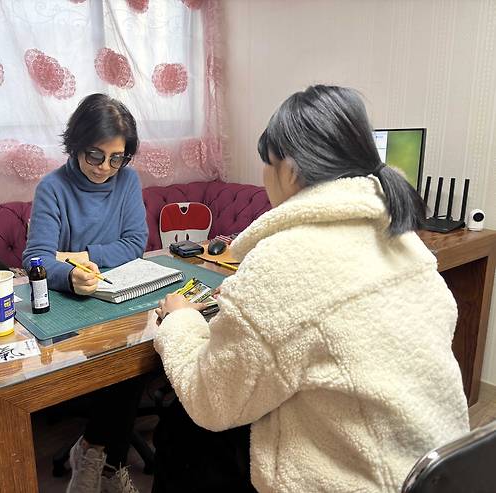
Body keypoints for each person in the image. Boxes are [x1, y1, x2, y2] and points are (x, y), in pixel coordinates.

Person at [152, 85, 470, 492]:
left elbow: (212, 400)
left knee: (185, 429)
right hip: (433, 469)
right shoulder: (403, 238)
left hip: (360, 479)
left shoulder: (285, 258)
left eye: (266, 163)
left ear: (288, 170)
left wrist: (180, 321)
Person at [23, 93, 148, 493]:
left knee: (136, 357)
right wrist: (70, 275)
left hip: (119, 296)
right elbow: (36, 258)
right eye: (95, 156)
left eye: (117, 158)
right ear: (75, 144)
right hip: (71, 308)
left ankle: (96, 456)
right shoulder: (52, 187)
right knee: (123, 370)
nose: (105, 169)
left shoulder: (127, 181)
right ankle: (105, 461)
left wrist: (80, 255)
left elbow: (135, 243)